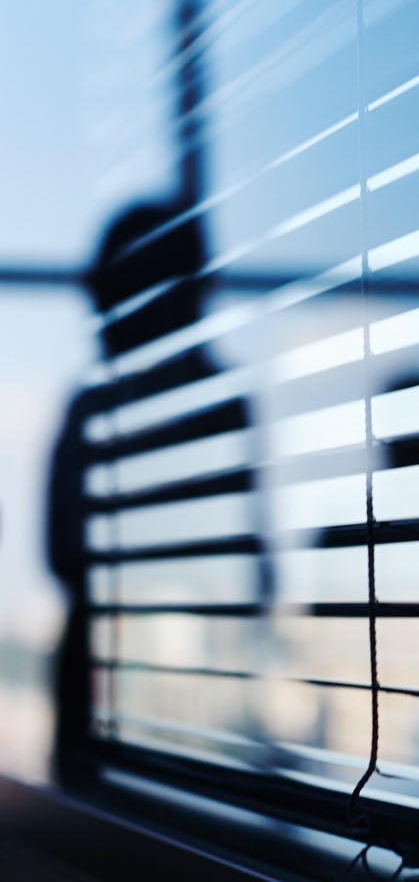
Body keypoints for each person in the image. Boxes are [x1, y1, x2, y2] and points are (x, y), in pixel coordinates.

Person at [48, 203, 211, 787]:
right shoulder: (97, 407)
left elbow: (62, 547)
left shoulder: (102, 408)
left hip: (171, 696)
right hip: (112, 694)